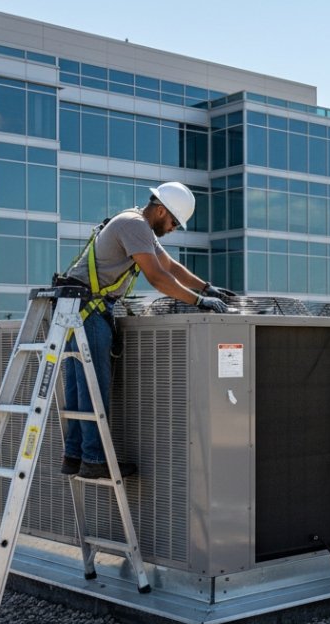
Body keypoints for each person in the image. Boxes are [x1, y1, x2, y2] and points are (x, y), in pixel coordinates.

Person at [57, 181, 233, 479]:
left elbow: (169, 266)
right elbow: (157, 277)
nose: (174, 228)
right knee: (92, 386)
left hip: (76, 306)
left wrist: (205, 286)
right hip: (88, 309)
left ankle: (74, 455)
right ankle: (93, 458)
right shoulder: (134, 225)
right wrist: (199, 301)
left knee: (79, 385)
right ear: (161, 210)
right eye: (174, 222)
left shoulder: (139, 227)